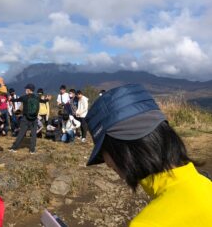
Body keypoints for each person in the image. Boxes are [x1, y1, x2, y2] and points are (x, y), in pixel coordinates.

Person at [85, 84, 212, 227]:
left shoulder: (147, 223)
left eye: (103, 150)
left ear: (123, 147)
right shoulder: (206, 184)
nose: (107, 163)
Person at [8, 84, 50, 154]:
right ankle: (32, 150)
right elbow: (44, 101)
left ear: (28, 90)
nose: (25, 90)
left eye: (26, 89)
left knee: (21, 133)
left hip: (25, 118)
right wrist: (47, 99)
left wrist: (10, 99)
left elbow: (16, 100)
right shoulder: (37, 97)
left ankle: (14, 148)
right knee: (33, 135)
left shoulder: (24, 97)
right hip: (34, 119)